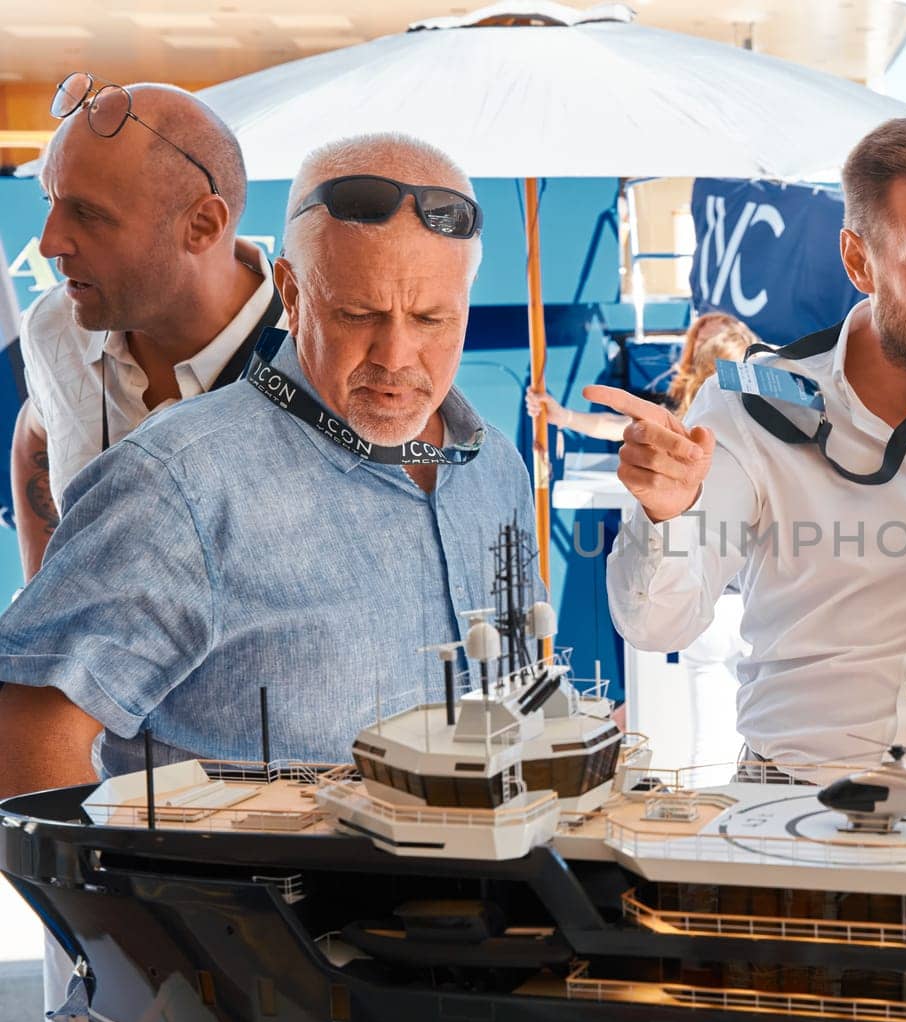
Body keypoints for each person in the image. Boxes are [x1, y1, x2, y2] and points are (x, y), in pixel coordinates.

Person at [0, 131, 536, 795]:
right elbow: (24, 735)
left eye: (431, 317)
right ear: (291, 290)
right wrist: (123, 902)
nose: (396, 356)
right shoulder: (174, 485)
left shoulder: (495, 467)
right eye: (358, 312)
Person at [596, 115, 906, 777]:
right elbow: (656, 627)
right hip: (788, 824)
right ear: (857, 261)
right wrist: (664, 516)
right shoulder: (749, 403)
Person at [12, 75, 283, 581]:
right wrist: (40, 589)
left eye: (88, 215)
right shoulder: (54, 324)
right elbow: (36, 424)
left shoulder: (329, 364)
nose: (49, 244)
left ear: (202, 225)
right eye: (51, 201)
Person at [528, 312, 760, 768]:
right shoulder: (770, 434)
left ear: (694, 363)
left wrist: (560, 416)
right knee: (764, 744)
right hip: (756, 607)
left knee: (705, 749)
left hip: (702, 607)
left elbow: (616, 430)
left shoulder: (681, 430)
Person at [526, 312, 759, 440]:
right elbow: (622, 426)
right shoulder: (686, 409)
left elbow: (620, 427)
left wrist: (565, 417)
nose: (692, 347)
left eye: (702, 343)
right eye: (696, 338)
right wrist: (564, 417)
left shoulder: (709, 413)